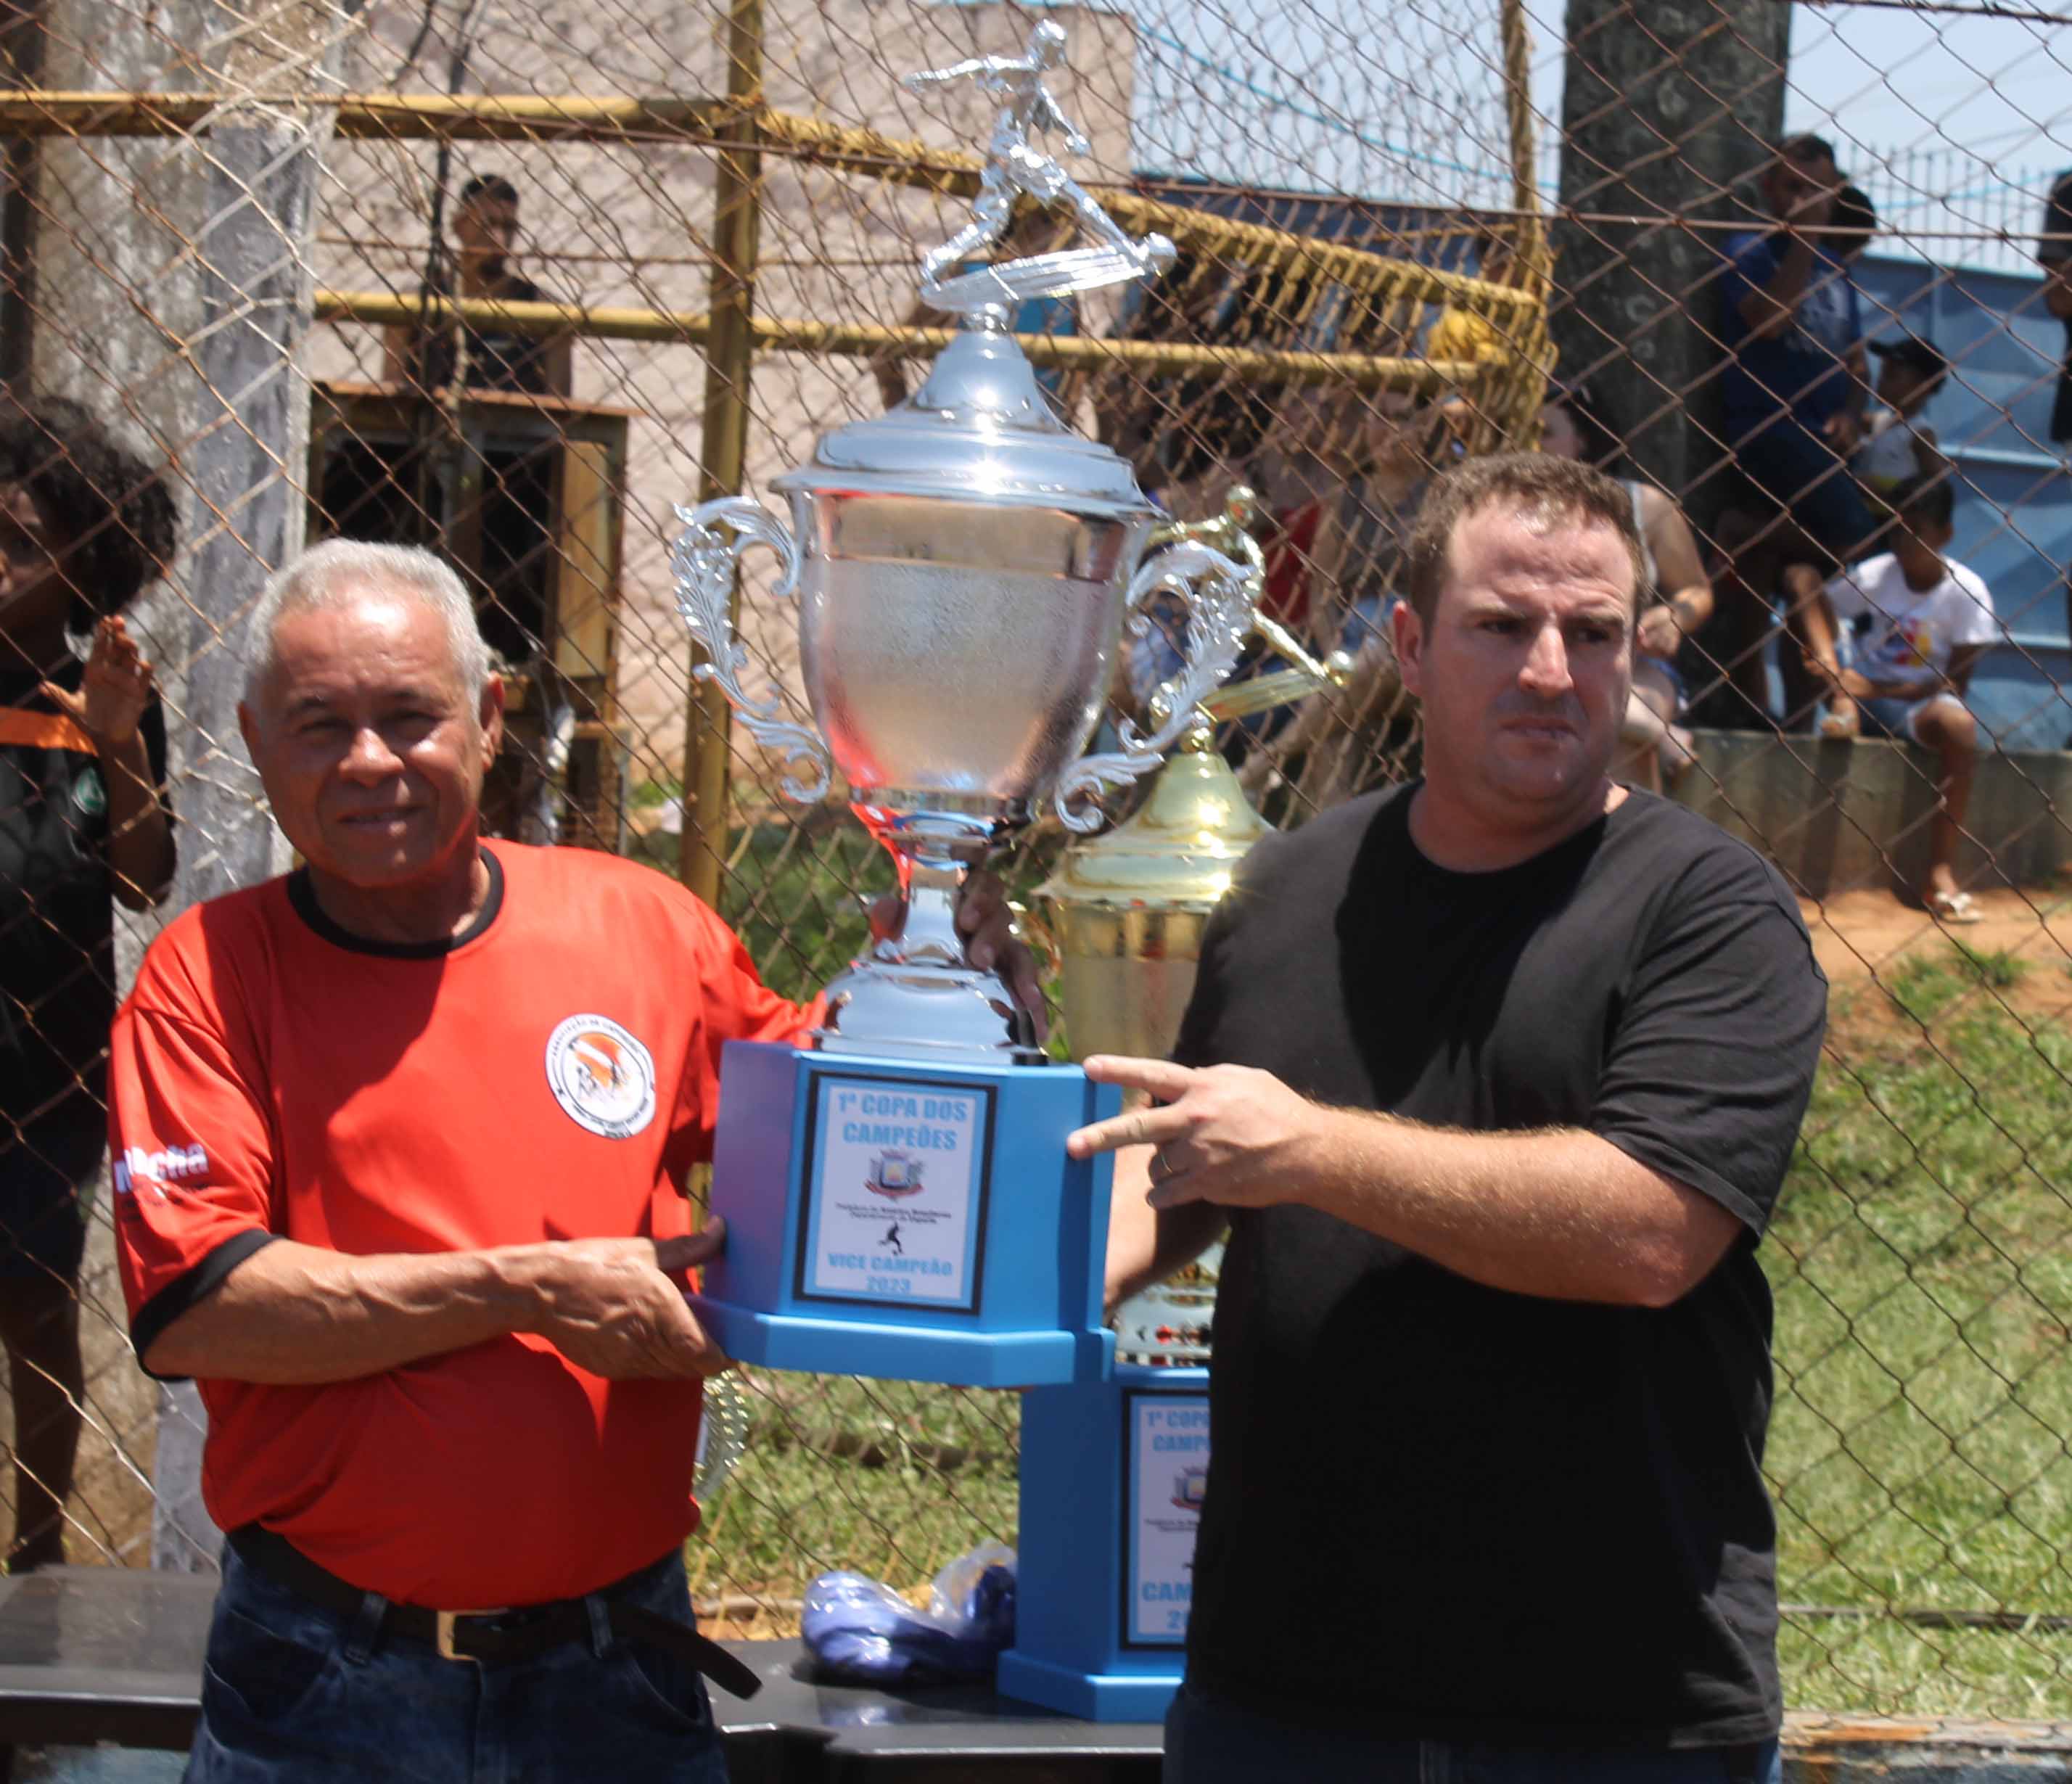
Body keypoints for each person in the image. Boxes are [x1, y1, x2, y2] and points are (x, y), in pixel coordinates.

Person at [106, 539, 1035, 1780]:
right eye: (320, 724)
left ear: (489, 720)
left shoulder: (643, 928)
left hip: (620, 1667)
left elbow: (832, 1166)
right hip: (327, 1674)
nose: (369, 761)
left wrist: (946, 1006)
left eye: (408, 716)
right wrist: (535, 1286)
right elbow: (203, 1306)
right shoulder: (206, 975)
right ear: (254, 738)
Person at [1081, 452, 1828, 1783]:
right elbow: (1188, 1165)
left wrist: (1310, 1149)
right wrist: (982, 1268)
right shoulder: (1290, 884)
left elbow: (1649, 1231)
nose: (1552, 668)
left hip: (1609, 1707)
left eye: (1594, 633)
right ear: (1411, 648)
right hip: (1283, 1688)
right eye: (1504, 626)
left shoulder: (1711, 912)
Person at [1, 395, 177, 1571]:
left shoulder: (101, 700)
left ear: (82, 563)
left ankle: (37, 1549)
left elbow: (142, 876)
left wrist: (117, 747)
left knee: (34, 1302)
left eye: (18, 544)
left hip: (44, 1068)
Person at [1711, 135, 1875, 723]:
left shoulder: (1838, 270)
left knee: (1803, 582)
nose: (1806, 200)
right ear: (1769, 191)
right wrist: (1803, 241)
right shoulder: (1749, 252)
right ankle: (1750, 531)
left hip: (1826, 446)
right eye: (1792, 188)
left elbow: (1858, 364)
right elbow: (1770, 322)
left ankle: (1791, 722)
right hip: (1771, 433)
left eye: (1818, 190)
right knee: (1862, 543)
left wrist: (1854, 414)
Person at [1804, 477, 1995, 921]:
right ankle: (1841, 703)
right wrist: (1837, 668)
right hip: (1855, 689)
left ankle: (1940, 872)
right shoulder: (1875, 575)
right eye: (1896, 530)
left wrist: (1875, 689)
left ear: (1945, 534)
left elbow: (1954, 687)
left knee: (1961, 726)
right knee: (1803, 585)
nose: (1904, 543)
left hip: (1913, 706)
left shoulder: (1968, 593)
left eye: (1917, 532)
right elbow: (1818, 607)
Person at [1540, 380, 1713, 791]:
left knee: (1625, 725)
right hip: (1538, 661)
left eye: (1545, 433)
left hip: (1633, 664)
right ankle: (1663, 736)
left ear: (1583, 439)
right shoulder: (1499, 511)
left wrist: (1673, 618)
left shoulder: (1644, 506)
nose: (1530, 445)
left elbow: (1697, 590)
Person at [382, 174, 572, 400]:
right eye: (488, 224)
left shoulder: (545, 311)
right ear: (459, 225)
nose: (500, 240)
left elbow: (560, 409)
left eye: (509, 227)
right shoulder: (415, 305)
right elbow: (390, 395)